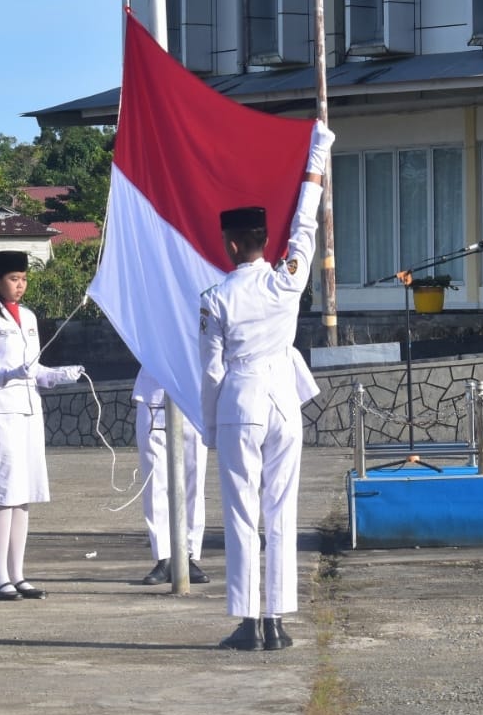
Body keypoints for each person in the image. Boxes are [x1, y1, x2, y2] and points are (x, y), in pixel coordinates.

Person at [200, 123, 334, 651]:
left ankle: (248, 621)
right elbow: (306, 222)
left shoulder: (215, 298)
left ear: (232, 244)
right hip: (284, 399)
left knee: (241, 511)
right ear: (263, 242)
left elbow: (212, 371)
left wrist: (210, 424)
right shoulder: (288, 278)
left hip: (242, 400)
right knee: (282, 509)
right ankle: (276, 620)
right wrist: (317, 155)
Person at [0, 250, 84, 600]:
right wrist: (8, 373)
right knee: (5, 496)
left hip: (29, 411)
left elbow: (35, 370)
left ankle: (18, 575)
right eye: (14, 279)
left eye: (24, 279)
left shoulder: (29, 317)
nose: (20, 285)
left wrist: (61, 375)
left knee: (24, 497)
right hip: (0, 412)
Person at [131, 368, 210, 586]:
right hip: (154, 394)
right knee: (155, 481)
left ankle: (189, 555)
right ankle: (163, 556)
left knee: (193, 480)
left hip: (192, 395)